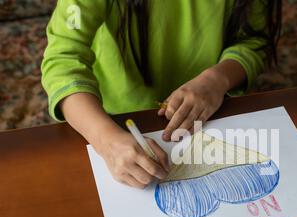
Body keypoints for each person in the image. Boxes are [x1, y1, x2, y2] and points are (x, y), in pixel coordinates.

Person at [41, 0, 281, 188]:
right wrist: (106, 140)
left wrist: (217, 79)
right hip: (110, 114)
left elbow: (253, 41)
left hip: (210, 111)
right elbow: (63, 58)